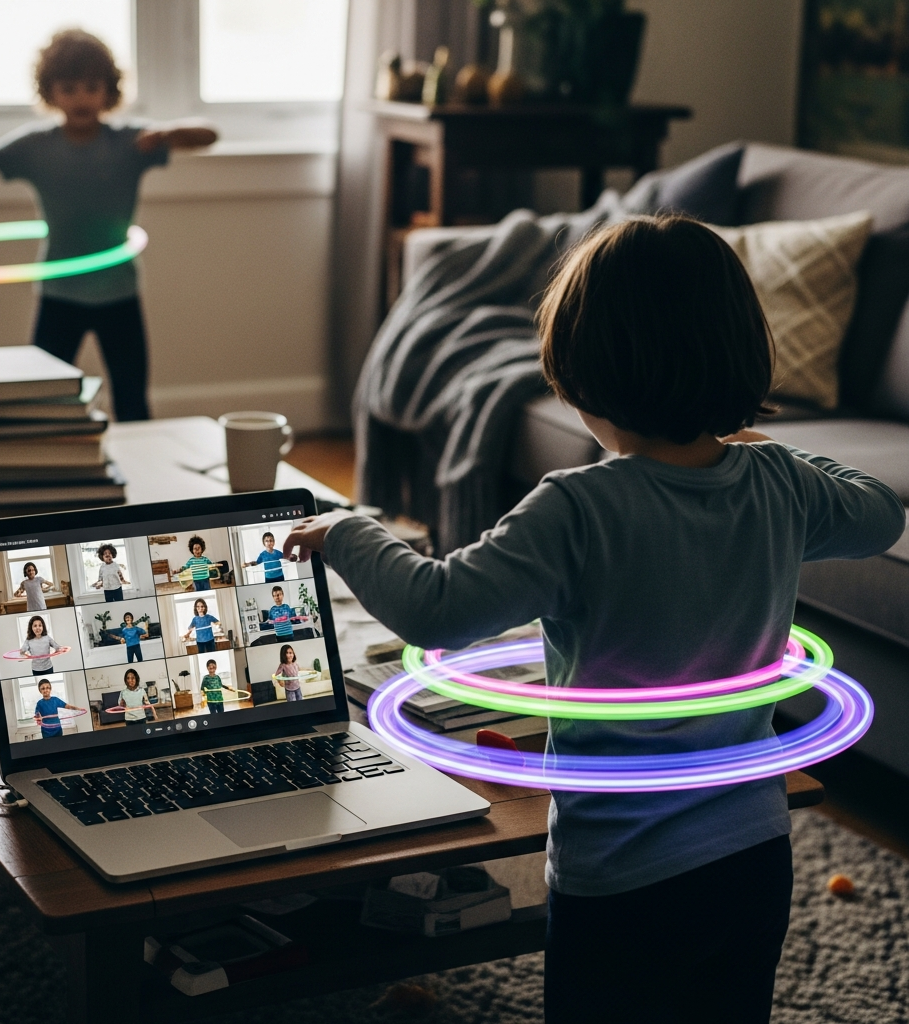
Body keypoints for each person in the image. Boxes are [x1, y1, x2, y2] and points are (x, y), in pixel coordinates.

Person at [281, 216, 907, 1024]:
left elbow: (436, 608)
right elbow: (879, 515)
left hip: (623, 871)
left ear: (578, 374)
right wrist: (770, 449)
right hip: (753, 853)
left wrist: (347, 531)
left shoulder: (578, 508)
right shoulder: (777, 483)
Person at [0, 29, 217, 422]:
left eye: (92, 86)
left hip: (119, 293)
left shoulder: (132, 142)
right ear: (50, 92)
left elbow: (209, 134)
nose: (81, 97)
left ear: (109, 90)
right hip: (60, 296)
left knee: (132, 399)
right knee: (41, 397)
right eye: (69, 87)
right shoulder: (36, 148)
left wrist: (172, 133)